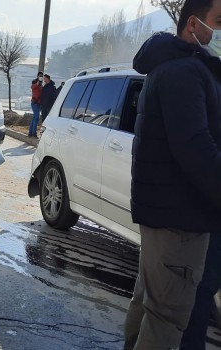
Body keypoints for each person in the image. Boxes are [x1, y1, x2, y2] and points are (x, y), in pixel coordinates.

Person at [123, 0, 221, 348]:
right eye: (219, 21)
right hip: (182, 219)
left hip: (168, 215)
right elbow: (195, 148)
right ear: (194, 25)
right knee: (167, 318)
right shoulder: (184, 72)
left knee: (150, 306)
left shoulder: (172, 67)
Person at [28, 71, 43, 137]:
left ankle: (30, 132)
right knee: (36, 118)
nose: (41, 77)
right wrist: (37, 83)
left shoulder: (41, 85)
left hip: (39, 103)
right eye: (39, 76)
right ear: (37, 76)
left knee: (34, 118)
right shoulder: (35, 82)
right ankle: (34, 133)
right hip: (35, 103)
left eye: (41, 76)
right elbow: (33, 87)